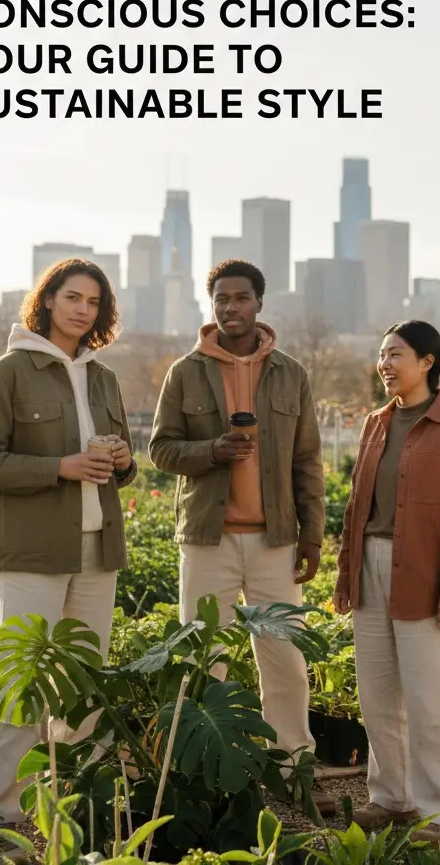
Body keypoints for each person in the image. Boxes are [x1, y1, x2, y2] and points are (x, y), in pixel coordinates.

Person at [147, 259, 334, 815]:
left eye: (241, 298)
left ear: (259, 303)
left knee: (285, 662)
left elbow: (308, 460)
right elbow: (160, 449)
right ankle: (207, 778)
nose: (231, 307)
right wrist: (213, 452)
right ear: (212, 306)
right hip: (207, 541)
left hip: (276, 540)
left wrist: (313, 536)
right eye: (221, 299)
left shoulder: (291, 373)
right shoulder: (185, 371)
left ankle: (296, 771)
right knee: (206, 661)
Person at [0, 259, 136, 852]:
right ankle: (1, 815)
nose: (82, 309)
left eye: (93, 301)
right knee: (21, 682)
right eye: (72, 297)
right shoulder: (9, 371)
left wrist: (119, 458)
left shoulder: (104, 377)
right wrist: (59, 467)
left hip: (97, 553)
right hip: (34, 553)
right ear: (48, 300)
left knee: (83, 684)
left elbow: (126, 465)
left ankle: (75, 807)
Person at [334, 321, 440, 853]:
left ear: (427, 361)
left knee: (430, 703)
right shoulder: (376, 423)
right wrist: (345, 574)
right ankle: (392, 797)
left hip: (422, 572)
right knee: (377, 695)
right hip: (371, 569)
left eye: (395, 354)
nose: (385, 364)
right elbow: (357, 508)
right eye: (381, 355)